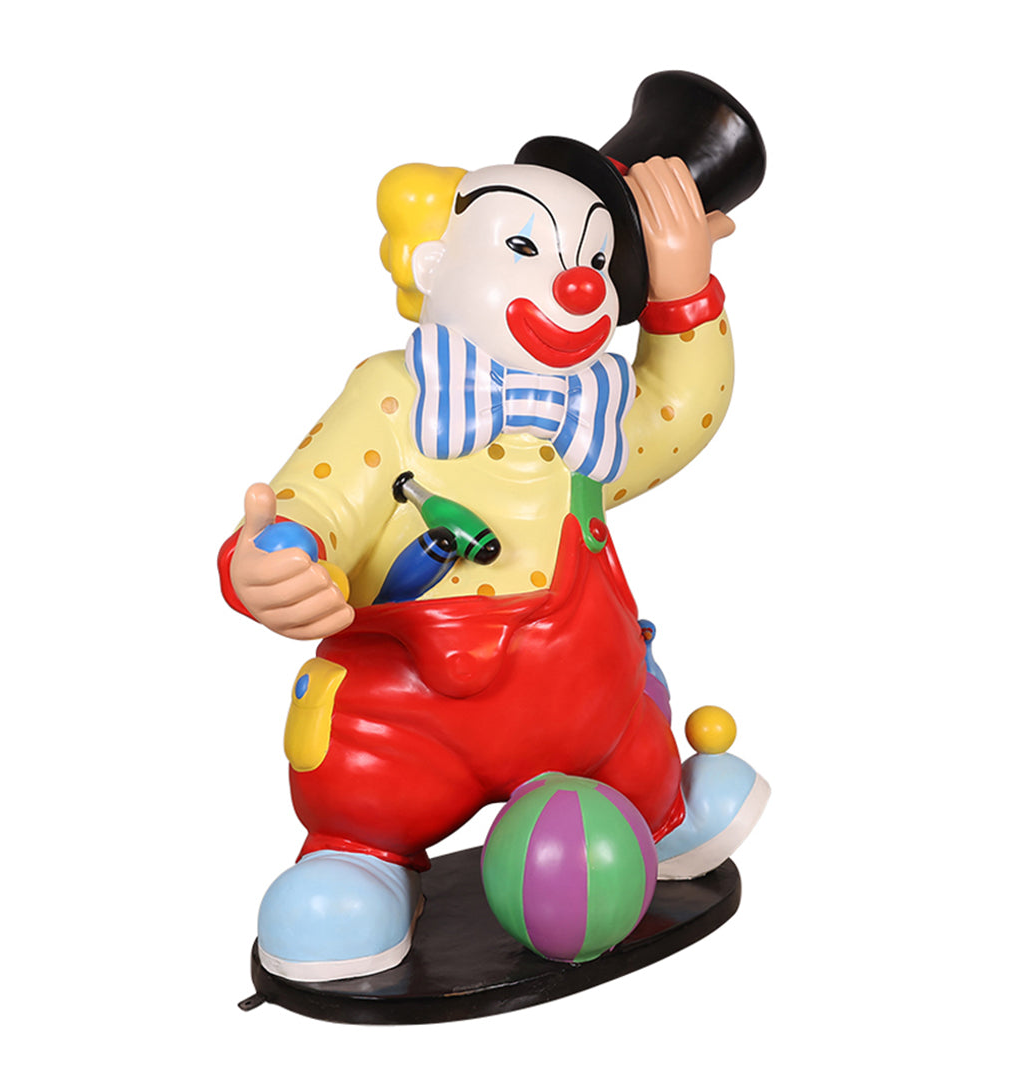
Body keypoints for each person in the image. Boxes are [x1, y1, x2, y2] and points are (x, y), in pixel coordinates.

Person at [219, 75, 769, 982]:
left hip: (587, 708)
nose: (577, 282)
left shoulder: (589, 412)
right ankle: (358, 859)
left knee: (628, 736)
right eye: (524, 246)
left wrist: (685, 298)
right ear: (435, 262)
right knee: (361, 780)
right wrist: (275, 563)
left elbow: (679, 416)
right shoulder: (393, 396)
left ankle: (656, 815)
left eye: (595, 259)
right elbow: (310, 505)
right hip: (411, 719)